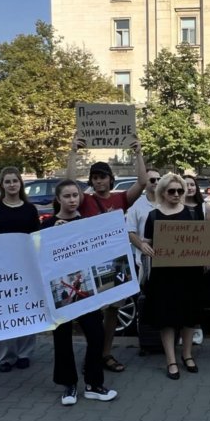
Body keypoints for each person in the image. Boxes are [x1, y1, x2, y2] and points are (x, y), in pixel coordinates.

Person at [66, 135, 147, 374]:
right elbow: (69, 184)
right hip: (91, 262)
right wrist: (73, 153)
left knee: (114, 310)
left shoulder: (120, 198)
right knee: (94, 313)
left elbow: (142, 183)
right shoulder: (85, 200)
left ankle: (105, 353)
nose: (98, 181)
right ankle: (93, 354)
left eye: (102, 177)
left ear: (110, 179)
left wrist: (137, 153)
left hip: (116, 261)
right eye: (94, 177)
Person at [41, 179, 117, 405]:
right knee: (62, 338)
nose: (72, 200)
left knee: (96, 335)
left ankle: (94, 384)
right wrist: (51, 237)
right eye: (67, 196)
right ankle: (69, 385)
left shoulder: (88, 224)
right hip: (61, 292)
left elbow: (100, 256)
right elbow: (40, 259)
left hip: (86, 290)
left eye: (75, 195)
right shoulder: (47, 226)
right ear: (58, 199)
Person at [136, 174, 204, 379]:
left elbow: (203, 240)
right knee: (166, 318)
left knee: (189, 316)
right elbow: (146, 241)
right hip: (164, 275)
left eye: (180, 191)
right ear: (163, 192)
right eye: (172, 191)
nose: (176, 194)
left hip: (190, 274)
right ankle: (171, 360)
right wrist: (144, 247)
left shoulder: (193, 214)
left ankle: (187, 354)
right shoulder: (154, 216)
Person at [0, 167, 41, 373]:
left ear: (21, 184)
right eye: (7, 182)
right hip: (1, 269)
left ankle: (24, 353)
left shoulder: (30, 209)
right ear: (2, 185)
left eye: (15, 181)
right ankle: (5, 357)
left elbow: (35, 238)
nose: (12, 185)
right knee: (3, 313)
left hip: (25, 267)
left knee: (27, 311)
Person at [183, 175, 210, 345]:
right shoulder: (176, 207)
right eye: (186, 185)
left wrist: (208, 258)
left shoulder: (205, 207)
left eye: (192, 184)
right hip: (179, 262)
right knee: (181, 296)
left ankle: (197, 327)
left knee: (197, 296)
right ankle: (182, 329)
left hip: (198, 261)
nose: (190, 188)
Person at [126, 168, 161, 280]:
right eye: (152, 180)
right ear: (144, 183)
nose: (156, 182)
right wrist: (141, 245)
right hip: (146, 259)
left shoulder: (169, 201)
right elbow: (130, 231)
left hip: (167, 258)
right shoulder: (136, 204)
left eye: (159, 179)